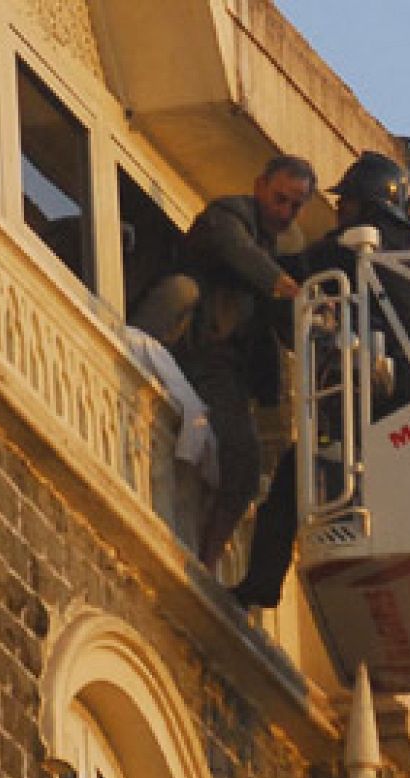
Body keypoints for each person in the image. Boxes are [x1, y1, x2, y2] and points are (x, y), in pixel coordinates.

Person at [230, 152, 410, 608]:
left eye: (346, 202)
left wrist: (255, 266)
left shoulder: (357, 249)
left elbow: (295, 280)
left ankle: (260, 585)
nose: (338, 211)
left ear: (367, 206)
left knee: (299, 480)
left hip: (381, 391)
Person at [131, 155, 317, 572]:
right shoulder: (225, 217)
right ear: (259, 187)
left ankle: (209, 557)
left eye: (294, 205)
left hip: (220, 367)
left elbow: (282, 322)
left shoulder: (280, 249)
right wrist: (283, 285)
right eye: (279, 199)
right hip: (185, 341)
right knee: (182, 291)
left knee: (245, 463)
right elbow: (237, 250)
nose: (284, 212)